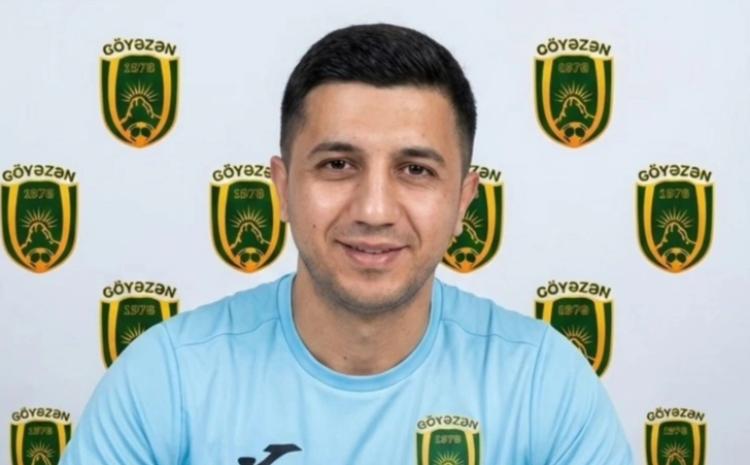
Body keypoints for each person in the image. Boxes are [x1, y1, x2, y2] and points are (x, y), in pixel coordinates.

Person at [61, 23, 633, 464]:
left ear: (463, 201)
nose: (374, 210)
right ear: (282, 188)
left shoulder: (544, 384)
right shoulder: (166, 379)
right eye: (338, 164)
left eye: (415, 170)